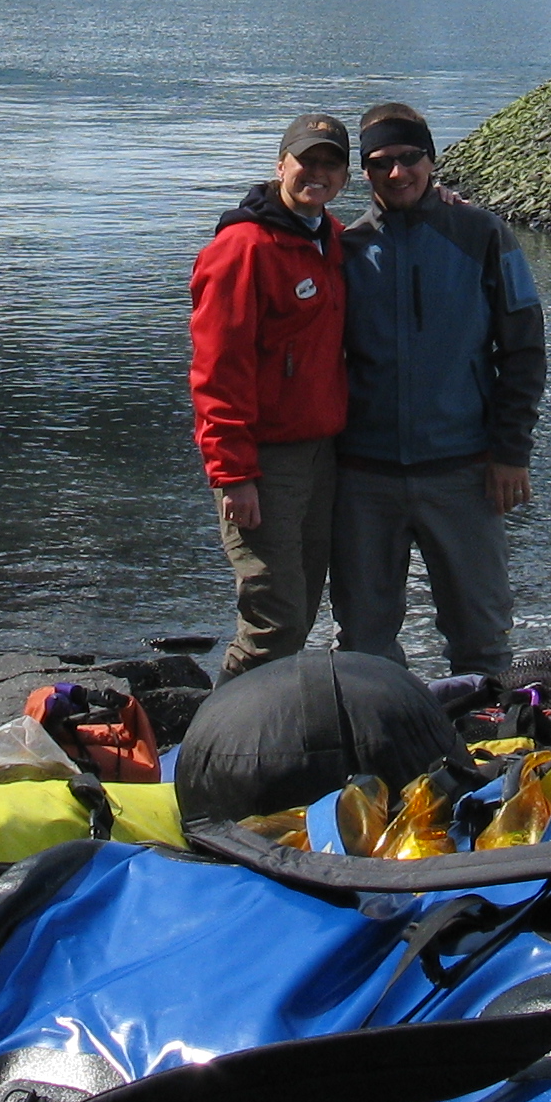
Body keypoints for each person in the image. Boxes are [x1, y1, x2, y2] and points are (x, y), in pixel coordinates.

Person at [332, 101, 545, 678]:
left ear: (431, 159)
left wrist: (510, 452)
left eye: (409, 159)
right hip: (363, 476)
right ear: (365, 172)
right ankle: (380, 751)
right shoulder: (344, 250)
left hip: (465, 471)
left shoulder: (483, 235)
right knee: (363, 643)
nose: (397, 173)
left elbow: (523, 349)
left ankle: (490, 748)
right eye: (381, 163)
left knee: (481, 635)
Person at [188, 112, 352, 678]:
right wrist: (233, 472)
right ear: (280, 165)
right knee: (273, 619)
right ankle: (215, 750)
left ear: (345, 178)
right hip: (264, 460)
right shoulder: (241, 250)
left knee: (301, 610)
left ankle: (268, 740)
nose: (318, 173)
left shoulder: (330, 238)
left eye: (331, 164)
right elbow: (216, 370)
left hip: (321, 454)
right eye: (307, 161)